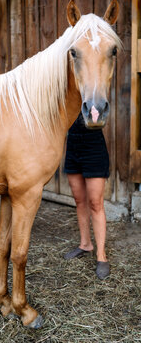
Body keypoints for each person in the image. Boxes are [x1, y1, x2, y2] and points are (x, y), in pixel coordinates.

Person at [63, 112, 110, 279]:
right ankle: (85, 244)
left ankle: (101, 256)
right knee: (79, 200)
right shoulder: (70, 93)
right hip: (73, 146)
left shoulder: (93, 91)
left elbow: (100, 116)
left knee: (95, 203)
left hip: (94, 147)